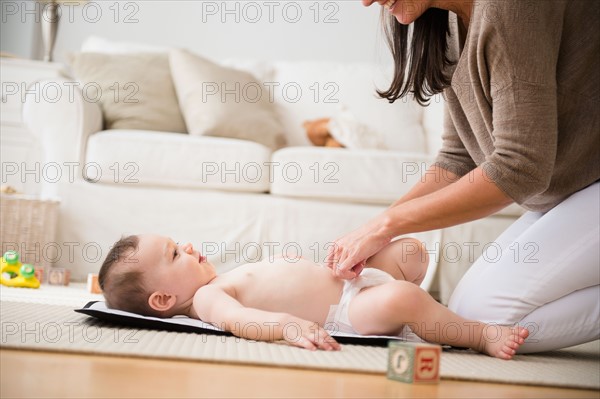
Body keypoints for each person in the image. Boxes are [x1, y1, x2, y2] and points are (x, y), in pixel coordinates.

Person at [327, 0, 599, 353]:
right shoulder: (449, 23)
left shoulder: (510, 8)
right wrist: (375, 228)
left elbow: (520, 167)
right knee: (464, 316)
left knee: (487, 323)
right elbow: (459, 158)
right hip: (574, 192)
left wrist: (386, 226)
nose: (365, 2)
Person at [98, 234, 529, 359]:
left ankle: (425, 310)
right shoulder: (209, 300)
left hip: (349, 283)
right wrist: (288, 326)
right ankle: (477, 334)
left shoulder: (216, 278)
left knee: (411, 252)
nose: (188, 246)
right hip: (347, 311)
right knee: (403, 298)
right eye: (175, 254)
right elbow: (242, 321)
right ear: (162, 300)